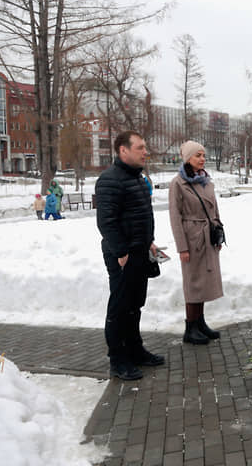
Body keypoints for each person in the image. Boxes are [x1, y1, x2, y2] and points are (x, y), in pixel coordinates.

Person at [96, 130, 164, 380]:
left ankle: (135, 350)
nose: (145, 151)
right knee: (120, 307)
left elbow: (141, 217)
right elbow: (106, 222)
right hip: (122, 256)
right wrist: (121, 252)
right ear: (123, 150)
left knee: (136, 304)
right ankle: (118, 359)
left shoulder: (136, 178)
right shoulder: (109, 180)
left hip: (140, 251)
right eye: (140, 147)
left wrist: (149, 243)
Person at [169, 140, 224, 345]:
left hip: (207, 236)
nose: (202, 159)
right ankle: (190, 328)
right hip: (192, 238)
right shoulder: (178, 183)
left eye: (203, 155)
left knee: (204, 282)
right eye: (197, 155)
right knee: (193, 283)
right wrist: (182, 247)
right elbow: (175, 216)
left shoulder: (206, 180)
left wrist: (218, 232)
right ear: (187, 158)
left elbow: (214, 209)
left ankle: (200, 323)